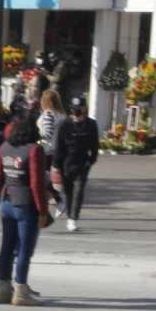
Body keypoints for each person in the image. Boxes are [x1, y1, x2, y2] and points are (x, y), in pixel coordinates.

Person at [0, 111, 53, 305]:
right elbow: (36, 184)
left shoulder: (4, 148)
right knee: (24, 249)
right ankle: (20, 292)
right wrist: (43, 211)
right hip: (25, 203)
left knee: (6, 246)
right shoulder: (34, 150)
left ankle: (3, 289)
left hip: (6, 200)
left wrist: (3, 193)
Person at [52, 96, 99, 232]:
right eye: (74, 110)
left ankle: (73, 218)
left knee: (79, 190)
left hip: (82, 162)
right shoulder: (65, 124)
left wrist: (91, 160)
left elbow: (95, 145)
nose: (76, 114)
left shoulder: (91, 125)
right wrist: (56, 165)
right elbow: (58, 146)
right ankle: (69, 215)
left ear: (84, 109)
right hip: (66, 162)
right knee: (69, 192)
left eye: (79, 110)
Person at [36, 88, 67, 214]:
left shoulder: (48, 114)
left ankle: (58, 200)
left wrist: (36, 133)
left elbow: (48, 133)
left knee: (42, 178)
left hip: (47, 150)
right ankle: (58, 200)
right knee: (47, 179)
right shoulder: (62, 116)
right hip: (58, 150)